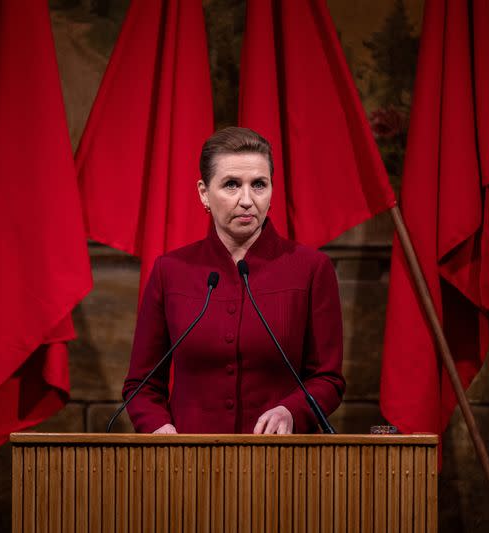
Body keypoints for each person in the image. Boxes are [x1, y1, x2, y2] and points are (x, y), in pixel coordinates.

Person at [122, 127, 345, 435]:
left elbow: (328, 379)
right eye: (231, 185)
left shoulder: (311, 269)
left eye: (259, 185)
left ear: (271, 190)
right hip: (187, 465)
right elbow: (140, 385)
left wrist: (292, 411)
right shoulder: (169, 271)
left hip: (282, 465)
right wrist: (159, 428)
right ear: (204, 193)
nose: (246, 199)